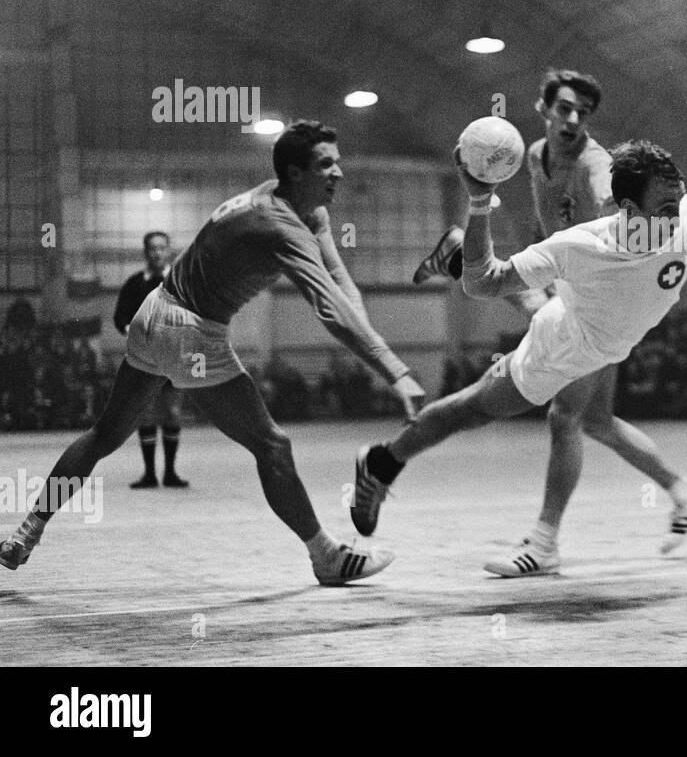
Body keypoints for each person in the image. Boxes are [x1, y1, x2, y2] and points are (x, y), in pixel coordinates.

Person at [351, 139, 687, 569]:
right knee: (479, 409)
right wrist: (480, 203)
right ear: (627, 209)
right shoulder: (578, 245)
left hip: (609, 341)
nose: (677, 218)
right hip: (564, 348)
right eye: (664, 210)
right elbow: (483, 284)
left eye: (677, 204)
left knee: (590, 419)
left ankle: (555, 539)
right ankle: (382, 463)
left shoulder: (686, 219)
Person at [0, 121, 426, 584]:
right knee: (272, 444)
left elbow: (342, 287)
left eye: (337, 161)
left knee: (105, 435)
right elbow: (330, 310)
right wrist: (395, 370)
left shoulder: (303, 209)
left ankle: (26, 532)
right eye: (327, 164)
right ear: (295, 173)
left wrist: (371, 337)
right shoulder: (280, 226)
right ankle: (327, 556)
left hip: (154, 312)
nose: (339, 172)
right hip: (191, 331)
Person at [412, 70, 687, 578]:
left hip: (597, 296)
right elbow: (549, 226)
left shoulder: (600, 172)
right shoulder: (533, 156)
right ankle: (685, 494)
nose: (573, 120)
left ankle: (545, 541)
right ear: (544, 109)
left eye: (582, 112)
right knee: (595, 419)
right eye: (564, 109)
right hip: (571, 286)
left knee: (566, 417)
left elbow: (617, 226)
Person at [113, 231, 188, 488]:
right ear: (145, 252)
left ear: (169, 251)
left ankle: (170, 473)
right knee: (145, 414)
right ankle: (149, 473)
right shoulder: (134, 284)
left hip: (172, 359)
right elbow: (119, 317)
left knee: (172, 413)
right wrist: (133, 335)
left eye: (162, 248)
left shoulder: (180, 281)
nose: (157, 252)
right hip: (142, 360)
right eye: (152, 248)